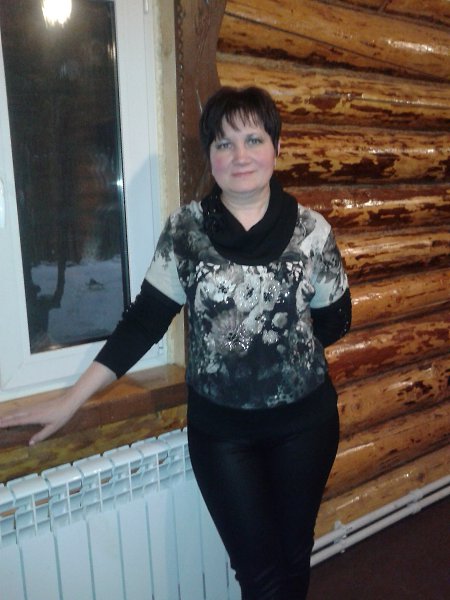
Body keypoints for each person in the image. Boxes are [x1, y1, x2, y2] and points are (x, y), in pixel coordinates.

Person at [0, 86, 351, 600]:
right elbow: (144, 321)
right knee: (258, 575)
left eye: (254, 139)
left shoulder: (312, 232)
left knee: (293, 558)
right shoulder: (186, 231)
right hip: (222, 437)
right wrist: (70, 399)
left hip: (305, 428)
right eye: (224, 143)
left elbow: (336, 320)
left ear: (277, 148)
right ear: (210, 155)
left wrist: (277, 353)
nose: (240, 155)